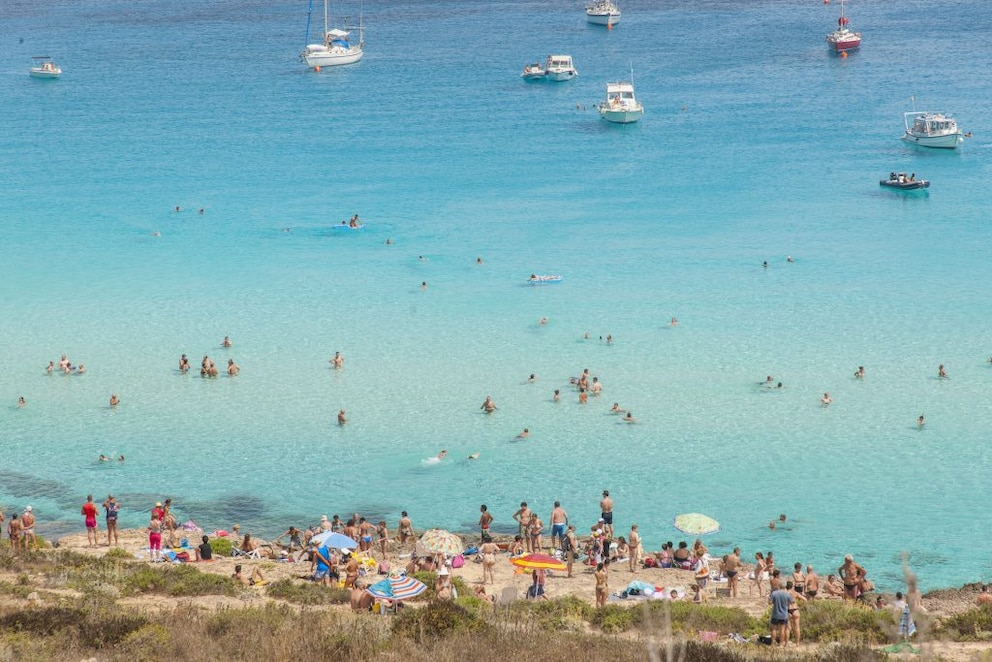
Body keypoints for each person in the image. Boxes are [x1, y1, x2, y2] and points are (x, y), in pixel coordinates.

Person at [769, 582, 794, 647]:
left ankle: (773, 643)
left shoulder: (774, 593)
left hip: (775, 613)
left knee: (774, 629)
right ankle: (781, 644)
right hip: (784, 614)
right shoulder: (787, 594)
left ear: (779, 585)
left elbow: (770, 602)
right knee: (782, 630)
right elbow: (792, 601)